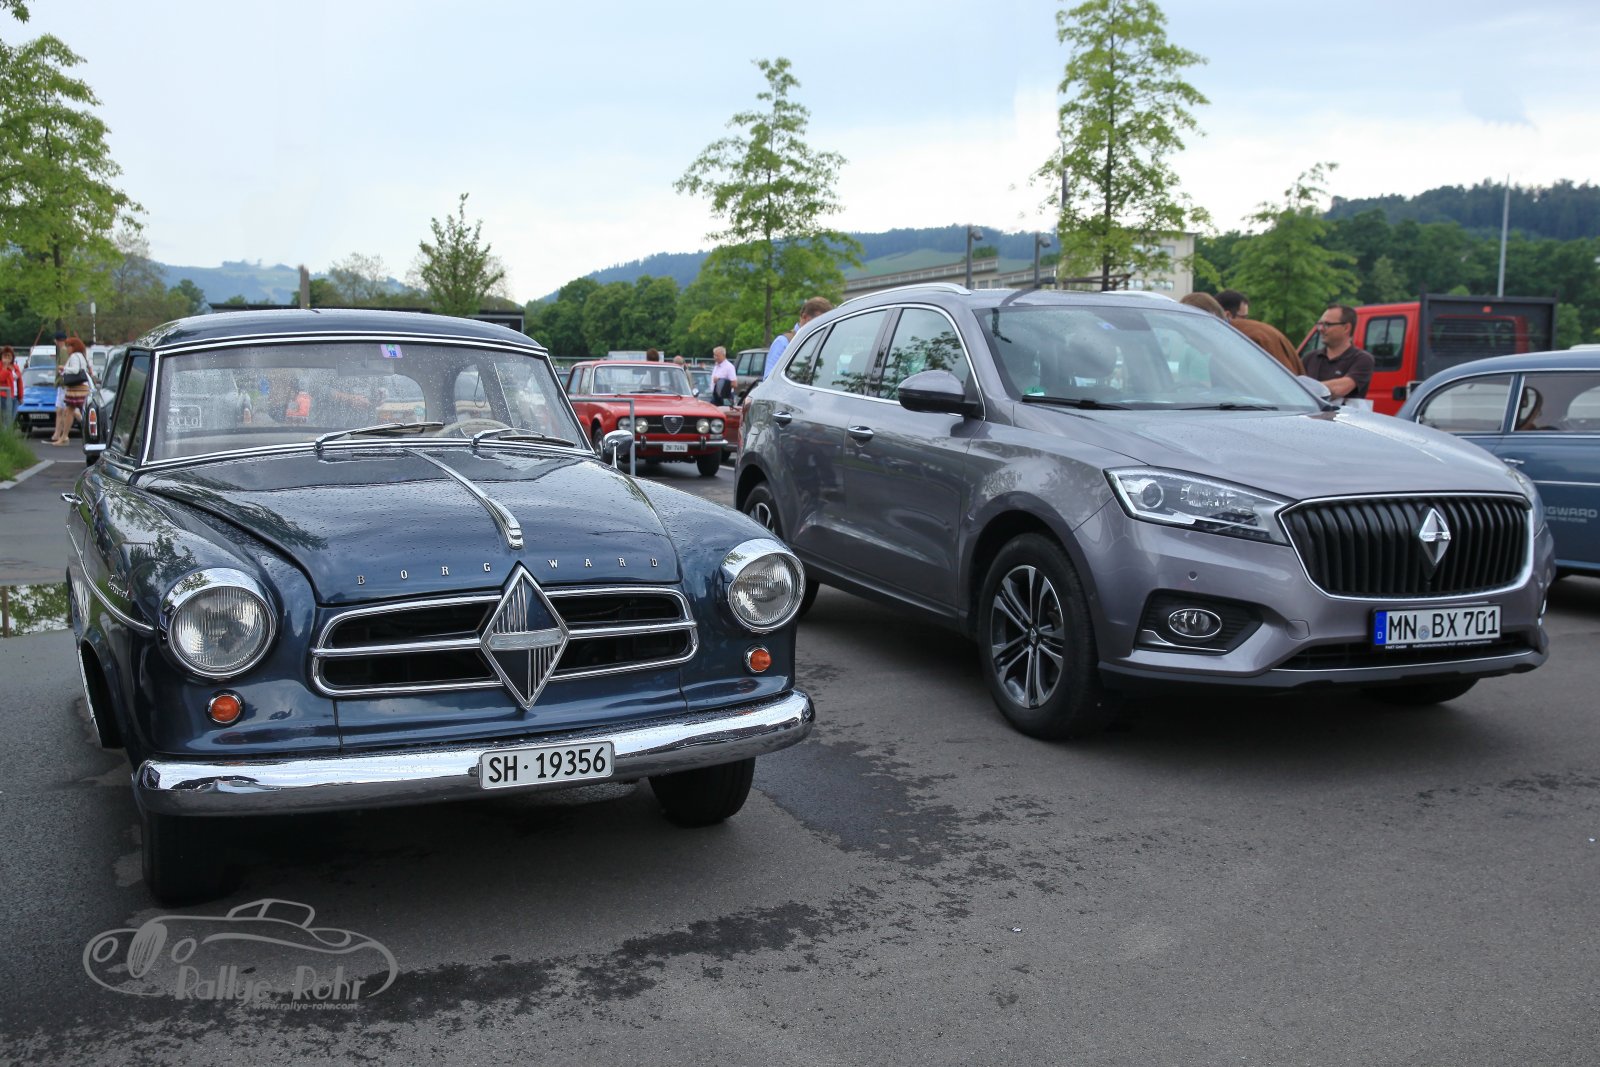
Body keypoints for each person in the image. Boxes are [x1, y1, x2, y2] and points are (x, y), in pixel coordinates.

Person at [1216, 289, 1305, 376]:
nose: (1247, 322)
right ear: (1228, 315)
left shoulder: (1257, 337)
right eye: (1243, 318)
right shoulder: (1257, 334)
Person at [1302, 303, 1374, 401]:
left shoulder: (1362, 359)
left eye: (1327, 324)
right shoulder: (1309, 358)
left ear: (1346, 328)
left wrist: (1304, 388)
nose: (1321, 329)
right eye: (1320, 324)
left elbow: (1340, 389)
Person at [762, 297, 834, 378]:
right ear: (804, 317)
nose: (822, 327)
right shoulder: (783, 342)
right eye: (819, 322)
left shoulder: (823, 342)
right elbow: (769, 378)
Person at [52, 337, 93, 445]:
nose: (67, 348)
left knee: (72, 411)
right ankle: (64, 436)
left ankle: (65, 437)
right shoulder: (82, 356)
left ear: (73, 347)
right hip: (81, 387)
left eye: (68, 346)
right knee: (71, 411)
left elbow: (75, 370)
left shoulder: (75, 356)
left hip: (76, 388)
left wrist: (63, 368)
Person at [0, 346, 20, 432]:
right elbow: (1, 379)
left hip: (15, 397)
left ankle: (8, 435)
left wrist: (21, 396)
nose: (7, 358)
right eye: (5, 356)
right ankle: (5, 436)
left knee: (12, 419)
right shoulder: (1, 366)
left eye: (9, 356)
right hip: (4, 396)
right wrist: (5, 367)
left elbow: (20, 382)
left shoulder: (15, 367)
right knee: (5, 420)